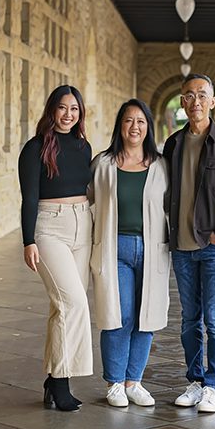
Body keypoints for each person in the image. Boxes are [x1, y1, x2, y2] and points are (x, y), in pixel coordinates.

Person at [162, 73, 215, 413]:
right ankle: (195, 381)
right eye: (188, 95)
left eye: (201, 95)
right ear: (182, 102)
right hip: (182, 246)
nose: (195, 101)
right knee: (189, 319)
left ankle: (213, 385)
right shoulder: (174, 144)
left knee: (214, 319)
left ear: (212, 101)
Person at [89, 99, 170, 408]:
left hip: (152, 249)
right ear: (119, 126)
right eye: (128, 120)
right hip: (115, 249)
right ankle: (115, 382)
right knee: (118, 314)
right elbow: (84, 201)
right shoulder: (103, 164)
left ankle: (133, 382)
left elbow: (173, 205)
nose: (134, 127)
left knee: (145, 315)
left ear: (148, 127)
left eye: (140, 121)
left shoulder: (161, 166)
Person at [18, 85, 93, 412]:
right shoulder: (35, 148)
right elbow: (29, 197)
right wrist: (28, 240)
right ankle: (62, 382)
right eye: (63, 108)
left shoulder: (83, 146)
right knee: (73, 303)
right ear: (52, 110)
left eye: (74, 109)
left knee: (61, 306)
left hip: (82, 224)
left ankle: (54, 379)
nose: (68, 114)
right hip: (49, 227)